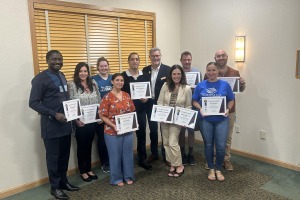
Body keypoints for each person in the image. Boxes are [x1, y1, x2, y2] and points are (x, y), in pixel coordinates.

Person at [29, 50, 79, 200]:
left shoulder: (62, 75)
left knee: (64, 156)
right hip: (51, 126)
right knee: (53, 158)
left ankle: (64, 182)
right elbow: (33, 103)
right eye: (54, 59)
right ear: (47, 60)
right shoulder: (40, 79)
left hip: (65, 124)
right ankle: (55, 187)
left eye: (60, 59)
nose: (57, 61)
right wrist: (53, 113)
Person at [204, 50, 246, 171]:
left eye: (223, 55)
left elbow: (240, 90)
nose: (221, 57)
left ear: (227, 57)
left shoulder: (235, 72)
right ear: (215, 58)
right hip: (212, 110)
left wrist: (242, 84)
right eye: (218, 56)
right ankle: (211, 160)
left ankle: (225, 159)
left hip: (229, 110)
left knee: (227, 137)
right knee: (211, 137)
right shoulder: (209, 74)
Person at [193, 62, 234, 181]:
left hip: (222, 119)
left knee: (221, 145)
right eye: (209, 70)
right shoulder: (200, 85)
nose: (211, 73)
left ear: (218, 71)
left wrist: (228, 109)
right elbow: (194, 100)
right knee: (209, 144)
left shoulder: (225, 85)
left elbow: (231, 100)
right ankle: (211, 168)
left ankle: (218, 169)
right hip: (206, 120)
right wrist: (200, 108)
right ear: (206, 71)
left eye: (213, 70)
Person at [99, 73, 136, 186]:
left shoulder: (126, 95)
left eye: (121, 80)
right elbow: (102, 115)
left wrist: (133, 124)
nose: (120, 82)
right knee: (115, 156)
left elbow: (132, 111)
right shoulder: (107, 97)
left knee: (128, 154)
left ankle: (128, 176)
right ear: (112, 82)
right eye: (117, 80)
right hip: (112, 131)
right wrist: (114, 125)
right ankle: (116, 179)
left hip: (126, 130)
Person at [68, 62, 101, 182]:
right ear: (77, 72)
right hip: (80, 123)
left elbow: (99, 99)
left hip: (92, 121)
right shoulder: (72, 85)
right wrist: (76, 120)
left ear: (88, 72)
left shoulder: (93, 83)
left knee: (89, 145)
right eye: (81, 71)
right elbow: (71, 103)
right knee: (82, 147)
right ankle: (83, 171)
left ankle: (89, 169)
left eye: (85, 71)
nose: (83, 73)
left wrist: (99, 116)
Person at [157, 65, 192, 177]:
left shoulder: (186, 88)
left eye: (178, 74)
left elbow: (188, 106)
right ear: (170, 75)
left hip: (177, 120)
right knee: (166, 143)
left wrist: (185, 120)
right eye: (174, 74)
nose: (176, 76)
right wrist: (161, 115)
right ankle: (172, 164)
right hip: (165, 119)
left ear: (182, 75)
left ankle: (179, 165)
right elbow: (160, 101)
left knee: (172, 142)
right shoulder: (165, 85)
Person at [121, 52, 153, 170]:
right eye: (132, 59)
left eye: (137, 59)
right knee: (126, 137)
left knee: (141, 136)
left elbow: (148, 92)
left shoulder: (145, 75)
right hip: (127, 112)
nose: (135, 61)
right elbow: (121, 93)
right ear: (128, 61)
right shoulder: (123, 76)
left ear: (139, 62)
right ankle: (125, 161)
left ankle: (142, 159)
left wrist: (146, 98)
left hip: (140, 111)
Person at [142, 47, 170, 164]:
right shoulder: (145, 70)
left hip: (163, 105)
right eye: (153, 56)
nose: (155, 58)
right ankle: (154, 153)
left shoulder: (167, 69)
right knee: (153, 130)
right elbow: (142, 86)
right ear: (150, 57)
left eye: (157, 55)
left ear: (160, 56)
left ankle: (166, 154)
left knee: (164, 130)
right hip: (149, 104)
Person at [179, 51, 202, 166]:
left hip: (193, 104)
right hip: (181, 105)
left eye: (189, 59)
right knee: (182, 130)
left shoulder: (197, 72)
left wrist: (194, 89)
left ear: (191, 60)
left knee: (191, 131)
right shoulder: (178, 72)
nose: (187, 62)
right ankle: (182, 154)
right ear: (181, 60)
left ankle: (191, 154)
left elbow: (201, 88)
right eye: (184, 60)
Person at [92, 57, 112, 173]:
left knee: (113, 139)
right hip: (101, 115)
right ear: (98, 67)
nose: (104, 68)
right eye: (101, 66)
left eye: (105, 66)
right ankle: (105, 163)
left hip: (113, 115)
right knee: (102, 140)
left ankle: (113, 160)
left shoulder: (112, 78)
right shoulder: (93, 80)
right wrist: (99, 115)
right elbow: (93, 99)